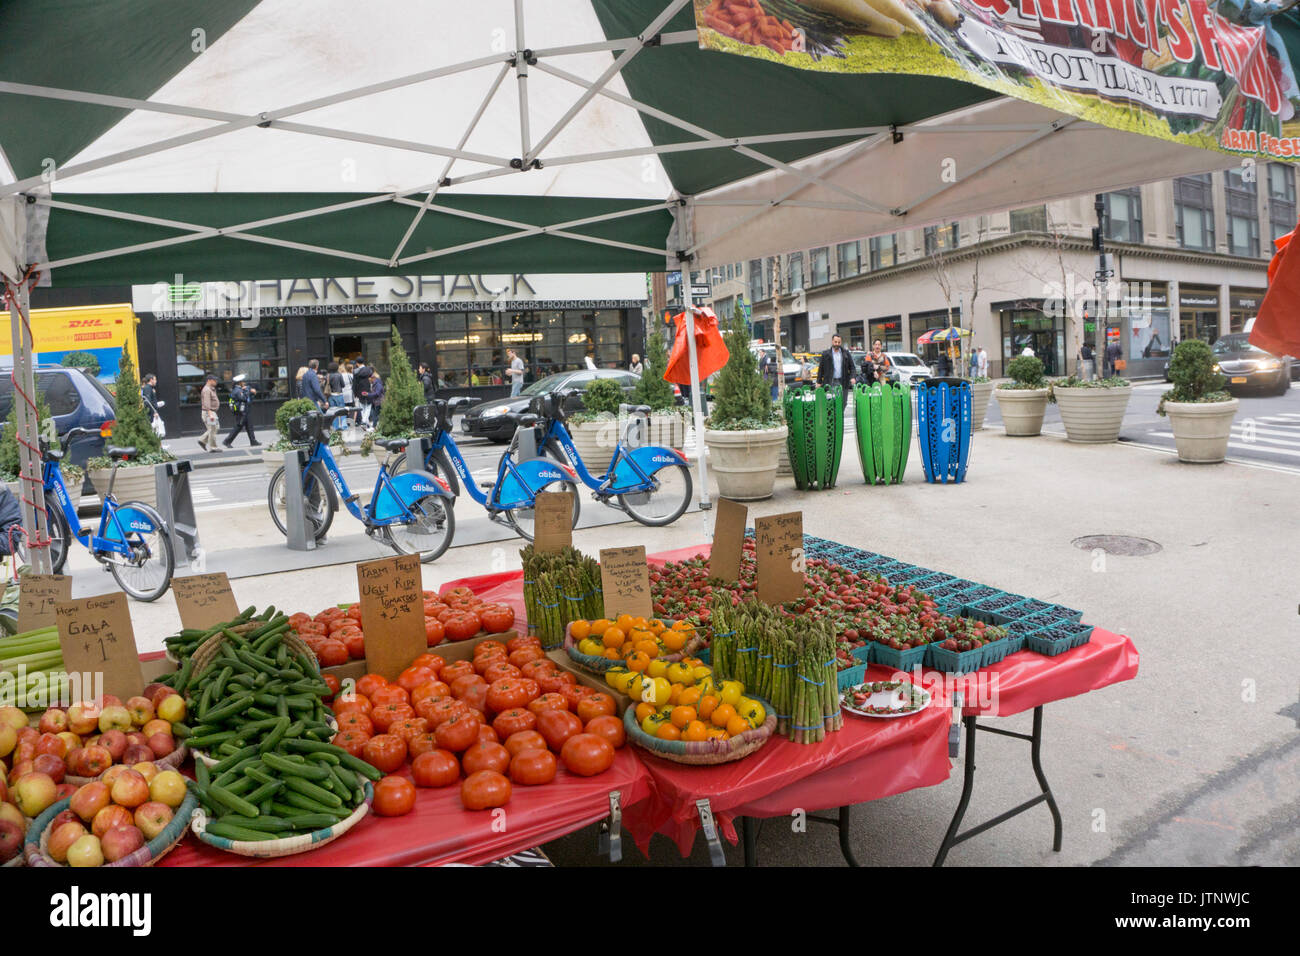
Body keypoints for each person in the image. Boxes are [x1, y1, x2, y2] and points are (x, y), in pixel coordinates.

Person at [222, 374, 259, 447]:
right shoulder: (237, 390)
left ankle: (253, 441)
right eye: (243, 382)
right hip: (241, 412)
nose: (244, 383)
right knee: (238, 426)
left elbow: (248, 398)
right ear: (239, 383)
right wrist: (248, 390)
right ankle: (227, 441)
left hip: (245, 410)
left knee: (249, 426)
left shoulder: (241, 389)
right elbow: (244, 398)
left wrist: (252, 393)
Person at [199, 374, 221, 452]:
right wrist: (210, 414)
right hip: (209, 412)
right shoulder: (207, 390)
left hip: (211, 412)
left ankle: (202, 440)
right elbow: (206, 403)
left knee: (215, 428)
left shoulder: (210, 389)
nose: (216, 381)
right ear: (209, 380)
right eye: (214, 380)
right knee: (213, 429)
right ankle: (213, 447)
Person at [352, 359, 373, 426]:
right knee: (368, 406)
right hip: (367, 389)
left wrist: (355, 393)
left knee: (362, 406)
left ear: (357, 363)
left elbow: (354, 383)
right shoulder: (369, 370)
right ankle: (365, 421)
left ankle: (364, 421)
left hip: (359, 390)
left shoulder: (355, 371)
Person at [328, 361, 348, 428]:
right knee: (342, 411)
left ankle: (335, 426)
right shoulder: (339, 375)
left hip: (331, 395)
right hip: (339, 394)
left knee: (333, 412)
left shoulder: (328, 376)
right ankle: (343, 426)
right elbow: (343, 385)